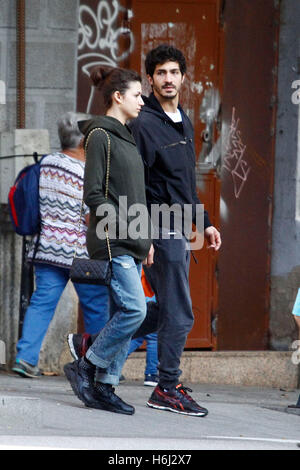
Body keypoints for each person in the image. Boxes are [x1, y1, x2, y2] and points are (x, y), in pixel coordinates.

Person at [128, 44, 221, 416]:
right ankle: (166, 386)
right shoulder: (144, 124)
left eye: (174, 72)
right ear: (150, 78)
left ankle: (93, 345)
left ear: (184, 77)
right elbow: (135, 185)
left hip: (181, 226)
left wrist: (207, 224)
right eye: (161, 73)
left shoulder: (183, 119)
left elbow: (184, 184)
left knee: (166, 308)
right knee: (181, 313)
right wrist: (143, 235)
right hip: (157, 226)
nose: (168, 79)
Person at [63, 66, 154, 416]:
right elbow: (95, 196)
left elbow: (135, 197)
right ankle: (87, 364)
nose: (142, 101)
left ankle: (105, 386)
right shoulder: (101, 136)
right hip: (113, 239)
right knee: (136, 309)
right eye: (136, 95)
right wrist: (130, 233)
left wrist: (145, 240)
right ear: (118, 97)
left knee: (127, 311)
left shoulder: (125, 137)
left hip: (130, 239)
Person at [12, 112, 109, 378]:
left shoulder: (44, 164)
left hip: (46, 249)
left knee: (41, 303)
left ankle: (25, 358)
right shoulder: (86, 173)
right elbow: (92, 218)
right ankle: (99, 366)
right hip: (81, 253)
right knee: (96, 306)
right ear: (82, 143)